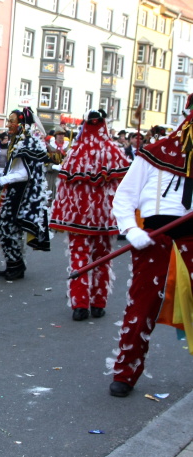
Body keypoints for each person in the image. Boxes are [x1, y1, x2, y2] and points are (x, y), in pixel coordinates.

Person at [107, 100, 193, 398]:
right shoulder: (155, 153)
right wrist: (131, 230)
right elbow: (124, 196)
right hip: (155, 238)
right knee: (141, 308)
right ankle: (125, 371)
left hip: (191, 239)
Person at [50, 110, 130, 321]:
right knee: (103, 260)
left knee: (80, 259)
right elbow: (125, 186)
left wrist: (60, 216)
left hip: (78, 219)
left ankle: (80, 305)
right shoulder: (114, 151)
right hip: (105, 218)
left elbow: (64, 191)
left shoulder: (76, 152)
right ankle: (98, 304)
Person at [0, 107, 50, 280]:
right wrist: (3, 176)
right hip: (12, 192)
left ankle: (16, 265)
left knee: (8, 227)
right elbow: (15, 168)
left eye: (12, 121)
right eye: (9, 121)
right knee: (5, 227)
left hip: (21, 194)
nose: (8, 124)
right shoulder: (17, 140)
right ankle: (13, 263)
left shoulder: (28, 142)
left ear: (22, 124)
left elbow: (25, 173)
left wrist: (5, 179)